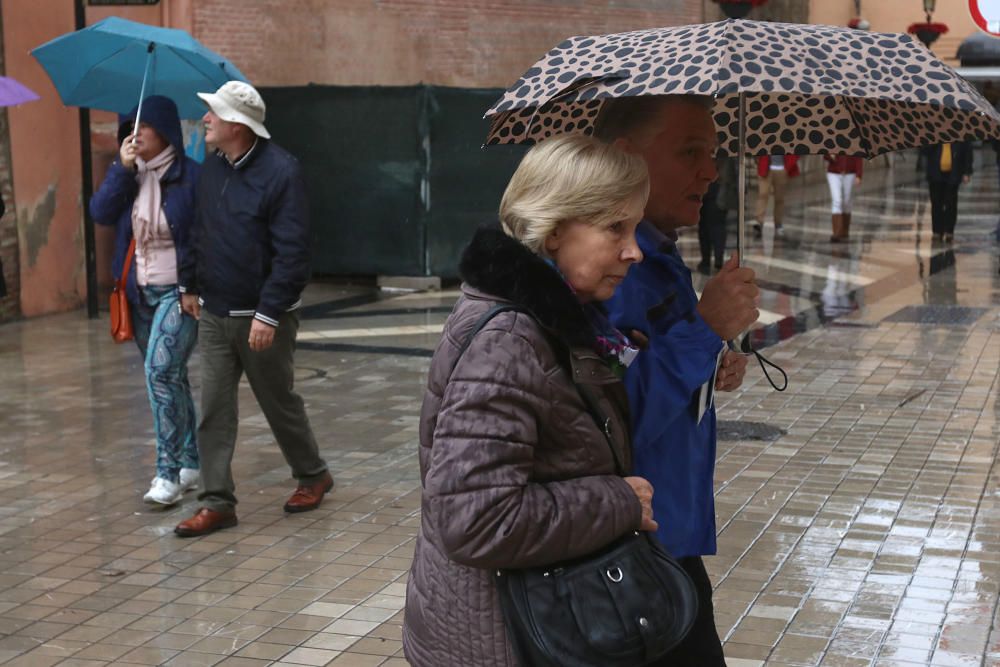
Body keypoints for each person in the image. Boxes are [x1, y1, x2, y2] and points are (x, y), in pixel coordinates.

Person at [403, 135, 657, 666]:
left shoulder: (561, 324)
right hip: (504, 638)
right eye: (616, 228)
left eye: (635, 228)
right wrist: (620, 502)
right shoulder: (510, 341)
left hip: (532, 623)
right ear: (556, 228)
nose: (634, 250)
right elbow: (477, 519)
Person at [596, 95, 761, 667]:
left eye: (713, 153)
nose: (711, 170)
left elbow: (654, 369)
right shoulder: (609, 275)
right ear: (625, 158)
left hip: (668, 535)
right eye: (691, 151)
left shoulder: (659, 256)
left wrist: (709, 360)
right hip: (628, 549)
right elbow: (610, 423)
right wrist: (703, 329)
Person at [174, 81, 332, 537]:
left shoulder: (283, 173)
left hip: (263, 319)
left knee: (278, 402)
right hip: (214, 312)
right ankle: (217, 502)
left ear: (238, 125)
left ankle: (313, 473)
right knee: (214, 411)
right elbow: (196, 231)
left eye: (213, 114)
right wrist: (189, 282)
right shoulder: (212, 168)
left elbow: (293, 253)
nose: (206, 119)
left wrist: (268, 313)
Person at [89, 95, 201, 506]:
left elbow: (202, 236)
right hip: (138, 293)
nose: (134, 134)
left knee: (159, 373)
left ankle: (167, 473)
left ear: (165, 129)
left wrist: (194, 286)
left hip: (180, 291)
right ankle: (191, 461)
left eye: (143, 126)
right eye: (128, 127)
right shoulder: (129, 175)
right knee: (172, 377)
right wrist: (122, 169)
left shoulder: (192, 177)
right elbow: (100, 212)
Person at [921, 142, 973, 243]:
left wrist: (967, 172)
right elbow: (924, 150)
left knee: (951, 203)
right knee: (936, 203)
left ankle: (949, 231)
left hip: (954, 173)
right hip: (935, 173)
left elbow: (967, 150)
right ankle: (937, 231)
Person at [697, 154, 738, 273]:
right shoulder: (727, 147)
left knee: (707, 226)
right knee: (716, 225)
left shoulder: (705, 144)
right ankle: (716, 260)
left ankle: (707, 261)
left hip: (711, 188)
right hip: (719, 189)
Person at [753, 153, 799, 237]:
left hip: (781, 169)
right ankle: (759, 221)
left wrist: (789, 165)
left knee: (779, 198)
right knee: (763, 194)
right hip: (765, 168)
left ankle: (778, 223)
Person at [825, 154, 864, 242]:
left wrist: (859, 174)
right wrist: (829, 156)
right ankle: (836, 233)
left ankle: (845, 230)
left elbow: (858, 156)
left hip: (850, 173)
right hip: (833, 173)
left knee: (847, 201)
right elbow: (825, 155)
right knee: (837, 201)